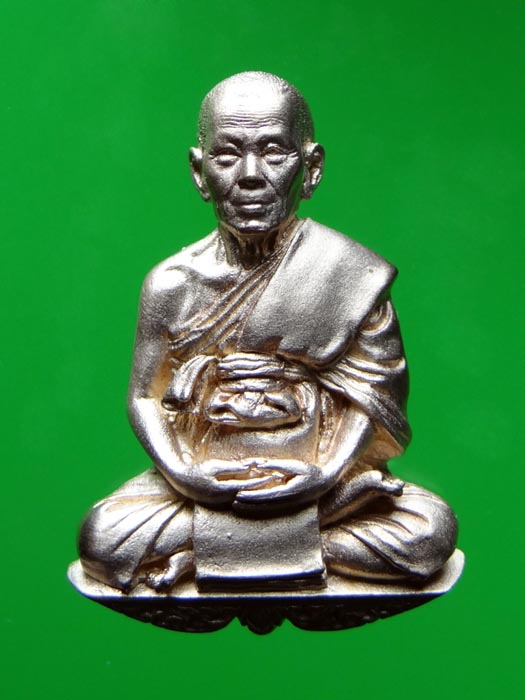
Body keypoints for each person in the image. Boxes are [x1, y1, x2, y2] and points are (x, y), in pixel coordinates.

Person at [79, 72, 457, 592]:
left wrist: (327, 474)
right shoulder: (171, 284)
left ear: (311, 168)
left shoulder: (349, 275)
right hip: (207, 484)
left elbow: (373, 398)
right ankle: (293, 548)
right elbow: (145, 397)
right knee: (102, 538)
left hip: (319, 484)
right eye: (227, 155)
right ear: (198, 172)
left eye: (274, 152)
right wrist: (185, 475)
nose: (251, 176)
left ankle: (212, 552)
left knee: (429, 533)